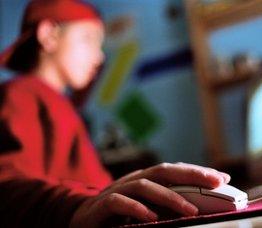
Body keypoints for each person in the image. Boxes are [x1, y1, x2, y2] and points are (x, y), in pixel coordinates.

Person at [0, 0, 231, 227]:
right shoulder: (21, 93)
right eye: (89, 39)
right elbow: (6, 183)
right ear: (49, 34)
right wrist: (75, 205)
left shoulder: (60, 103)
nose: (100, 57)